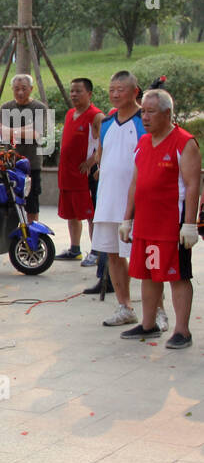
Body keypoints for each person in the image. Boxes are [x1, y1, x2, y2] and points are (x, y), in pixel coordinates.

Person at [115, 89, 199, 348]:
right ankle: (149, 324)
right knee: (148, 274)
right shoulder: (143, 143)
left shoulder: (184, 143)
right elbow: (135, 184)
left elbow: (194, 184)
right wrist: (127, 219)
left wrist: (190, 224)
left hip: (172, 226)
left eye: (151, 112)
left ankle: (182, 331)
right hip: (146, 225)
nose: (145, 117)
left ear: (167, 114)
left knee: (177, 276)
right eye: (143, 112)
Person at [90, 70, 145, 325]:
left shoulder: (144, 120)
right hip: (108, 199)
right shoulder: (107, 122)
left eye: (120, 89)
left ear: (135, 91)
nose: (114, 94)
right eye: (111, 89)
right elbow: (101, 154)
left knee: (142, 255)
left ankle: (157, 309)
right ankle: (125, 306)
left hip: (136, 203)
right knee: (113, 253)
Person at [55, 78, 102, 260]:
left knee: (91, 215)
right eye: (72, 90)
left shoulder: (96, 116)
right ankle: (75, 250)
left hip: (85, 176)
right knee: (71, 213)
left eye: (78, 91)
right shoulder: (69, 114)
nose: (74, 94)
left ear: (89, 94)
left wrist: (92, 161)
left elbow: (104, 143)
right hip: (68, 174)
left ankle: (97, 252)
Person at [0, 74, 47, 224]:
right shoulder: (6, 107)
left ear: (31, 89)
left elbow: (35, 134)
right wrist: (25, 129)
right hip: (9, 164)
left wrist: (11, 130)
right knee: (9, 203)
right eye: (16, 89)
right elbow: (1, 132)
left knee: (32, 204)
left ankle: (32, 236)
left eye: (24, 89)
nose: (20, 92)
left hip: (31, 164)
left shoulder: (39, 108)